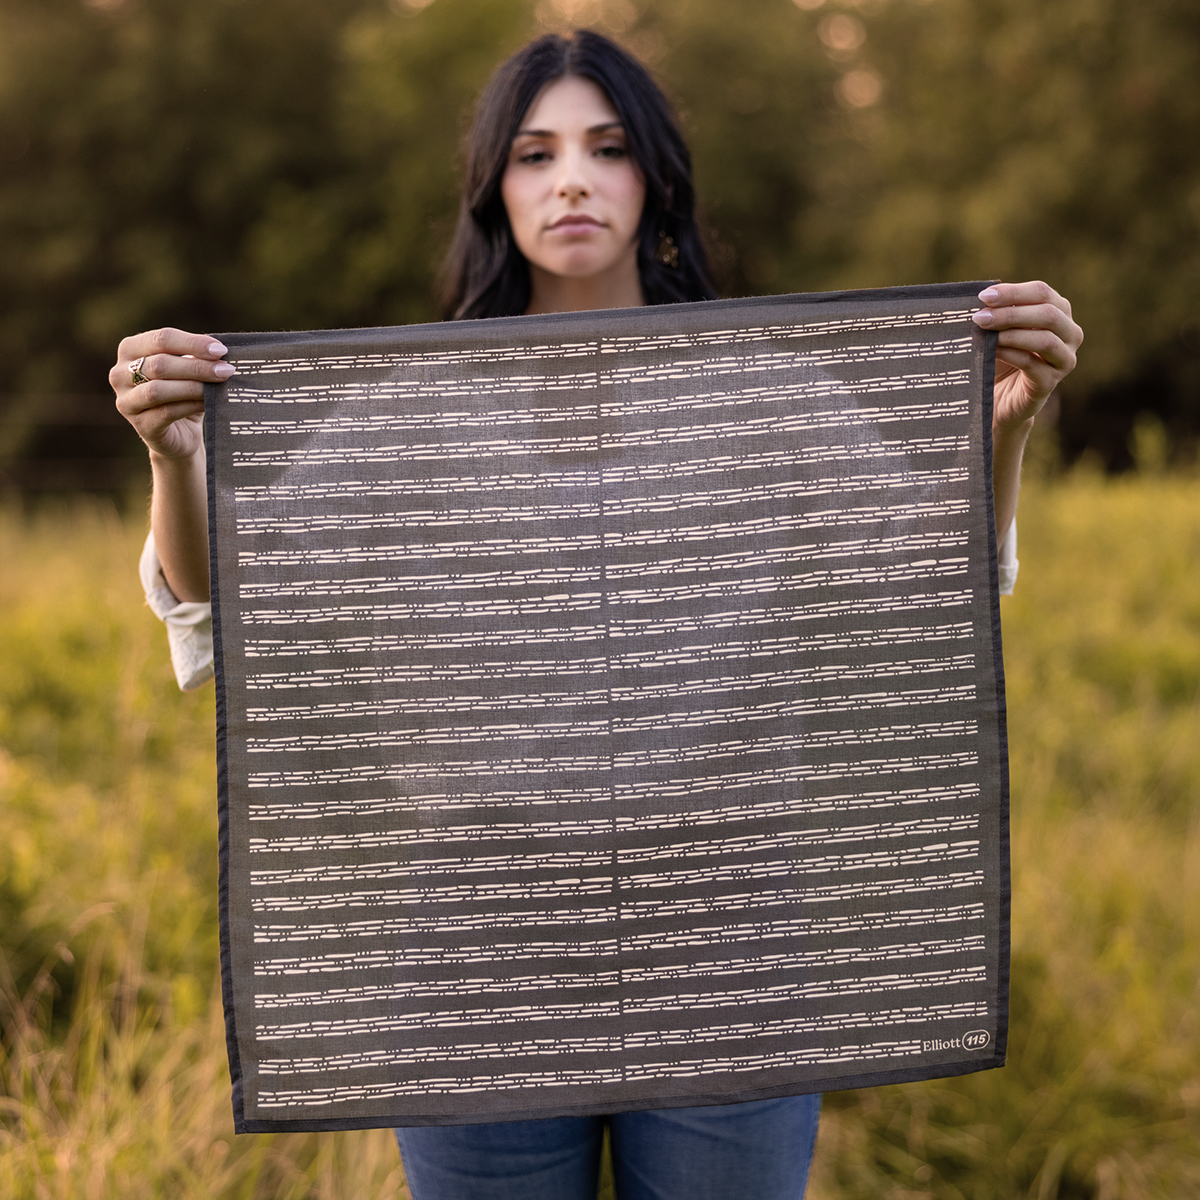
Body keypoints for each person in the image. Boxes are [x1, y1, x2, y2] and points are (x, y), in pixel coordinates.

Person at [109, 29, 1083, 1200]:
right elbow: (228, 604)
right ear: (495, 190)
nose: (570, 178)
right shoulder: (411, 410)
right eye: (535, 153)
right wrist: (175, 456)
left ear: (654, 182)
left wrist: (1008, 421)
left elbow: (932, 576)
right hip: (480, 952)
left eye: (606, 148)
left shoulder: (762, 387)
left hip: (728, 944)